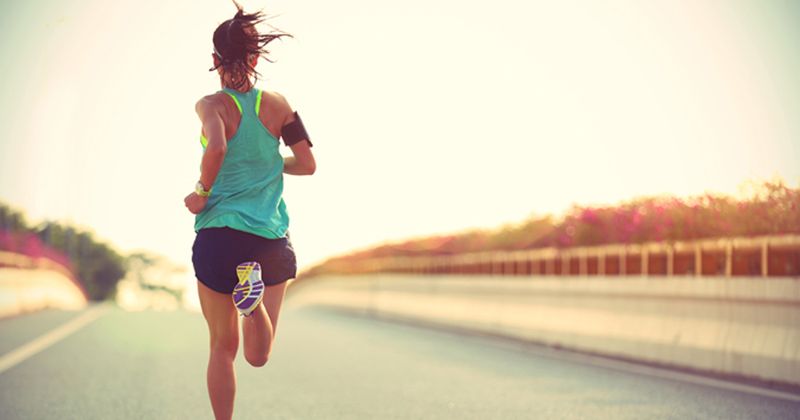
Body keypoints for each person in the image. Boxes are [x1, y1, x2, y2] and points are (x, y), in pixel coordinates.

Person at [183, 4, 315, 419]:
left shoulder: (211, 105)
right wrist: (274, 164)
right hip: (270, 239)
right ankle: (252, 303)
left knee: (222, 349)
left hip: (220, 235)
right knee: (259, 355)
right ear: (257, 58)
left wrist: (202, 192)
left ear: (214, 61)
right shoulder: (279, 105)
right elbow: (307, 164)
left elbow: (218, 147)